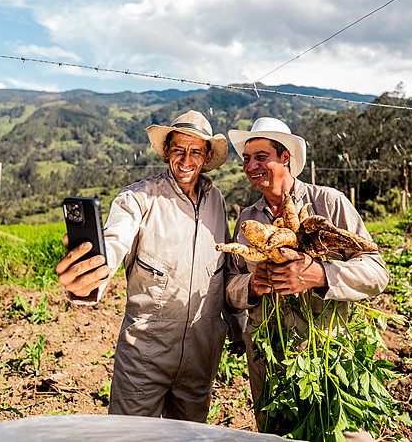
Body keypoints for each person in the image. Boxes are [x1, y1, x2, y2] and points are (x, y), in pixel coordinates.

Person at [55, 110, 243, 422]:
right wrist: (92, 273)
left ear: (208, 156)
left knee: (189, 437)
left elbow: (224, 269)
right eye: (179, 150)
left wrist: (237, 327)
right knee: (131, 435)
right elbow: (114, 240)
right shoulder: (139, 198)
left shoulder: (217, 201)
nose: (186, 160)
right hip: (145, 356)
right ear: (167, 150)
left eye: (196, 152)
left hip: (201, 355)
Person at [225, 117, 390, 437]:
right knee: (276, 434)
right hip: (268, 357)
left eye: (261, 157)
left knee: (344, 435)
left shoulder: (328, 203)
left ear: (285, 157)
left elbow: (376, 272)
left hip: (326, 351)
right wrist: (252, 286)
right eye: (246, 159)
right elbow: (229, 286)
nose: (251, 166)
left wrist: (320, 274)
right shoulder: (247, 218)